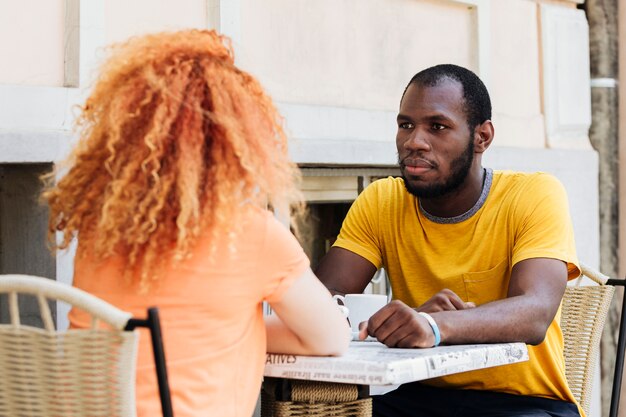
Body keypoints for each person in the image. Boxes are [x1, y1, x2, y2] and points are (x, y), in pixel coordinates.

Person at [42, 29, 350, 417]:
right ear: (237, 140)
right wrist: (240, 327)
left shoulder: (99, 225)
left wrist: (226, 327)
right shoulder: (251, 234)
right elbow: (331, 338)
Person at [315, 64, 583, 417]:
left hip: (525, 405)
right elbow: (320, 300)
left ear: (482, 137)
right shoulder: (382, 201)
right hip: (418, 396)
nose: (414, 141)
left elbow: (534, 312)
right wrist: (383, 322)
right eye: (405, 125)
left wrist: (432, 326)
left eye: (437, 127)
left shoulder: (533, 194)